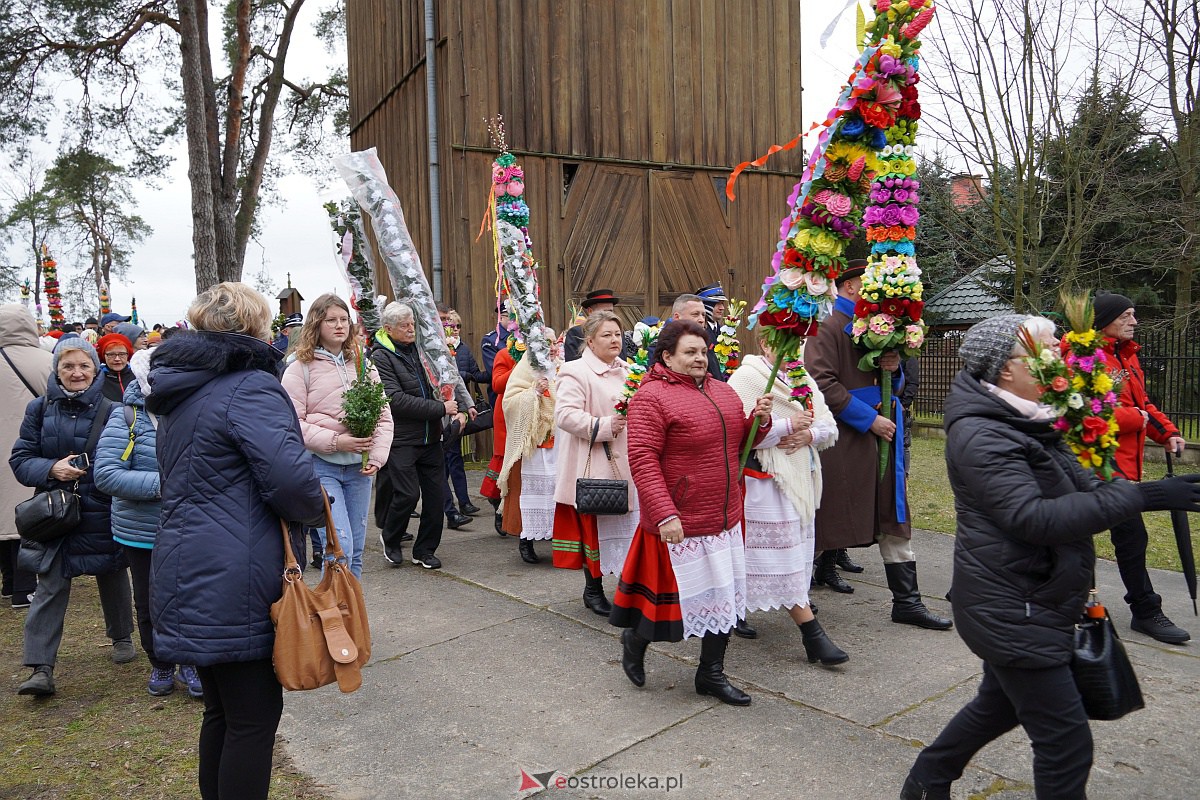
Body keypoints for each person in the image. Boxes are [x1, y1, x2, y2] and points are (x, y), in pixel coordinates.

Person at [900, 314, 1200, 800]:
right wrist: (1140, 499)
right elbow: (1032, 518)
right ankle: (926, 780)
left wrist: (1148, 491)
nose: (1060, 360)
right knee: (1065, 743)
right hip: (1012, 606)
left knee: (998, 705)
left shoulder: (1030, 419)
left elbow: (1081, 487)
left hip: (1033, 595)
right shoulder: (983, 433)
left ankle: (926, 780)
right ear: (1004, 371)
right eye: (1044, 353)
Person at [147, 282, 325, 800]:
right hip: (237, 569)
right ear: (255, 325)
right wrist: (316, 511)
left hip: (186, 562)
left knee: (222, 711)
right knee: (252, 718)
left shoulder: (183, 392)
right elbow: (291, 480)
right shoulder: (250, 386)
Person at [609, 320, 773, 705]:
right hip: (679, 519)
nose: (700, 358)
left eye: (704, 351)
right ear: (667, 356)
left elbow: (738, 442)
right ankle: (635, 640)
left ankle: (711, 674)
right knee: (668, 604)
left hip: (723, 515)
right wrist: (665, 513)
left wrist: (759, 423)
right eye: (690, 352)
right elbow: (644, 459)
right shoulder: (652, 397)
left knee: (725, 601)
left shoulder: (724, 391)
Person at [806, 259, 952, 629]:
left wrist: (894, 368)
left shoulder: (874, 328)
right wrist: (869, 418)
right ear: (852, 286)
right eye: (870, 285)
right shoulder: (828, 326)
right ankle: (792, 597)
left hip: (882, 438)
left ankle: (907, 603)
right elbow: (820, 382)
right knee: (825, 521)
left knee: (894, 518)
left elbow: (896, 383)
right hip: (846, 443)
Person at [12, 337, 133, 696]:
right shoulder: (38, 409)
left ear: (94, 371)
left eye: (84, 366)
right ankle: (40, 667)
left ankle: (122, 637)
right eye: (68, 366)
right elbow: (20, 460)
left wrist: (96, 473)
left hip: (101, 506)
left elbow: (125, 458)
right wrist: (52, 468)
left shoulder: (115, 410)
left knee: (111, 571)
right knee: (50, 583)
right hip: (56, 512)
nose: (76, 373)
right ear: (57, 371)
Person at [728, 330, 848, 666]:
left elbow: (829, 426)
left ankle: (738, 612)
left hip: (800, 477)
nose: (797, 349)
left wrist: (807, 433)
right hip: (765, 482)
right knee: (767, 558)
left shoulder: (801, 376)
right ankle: (812, 635)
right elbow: (740, 434)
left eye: (799, 342)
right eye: (788, 342)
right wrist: (784, 426)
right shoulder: (748, 376)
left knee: (793, 556)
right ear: (766, 344)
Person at [94, 349, 202, 699]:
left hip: (189, 526)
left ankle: (191, 661)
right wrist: (163, 486)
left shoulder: (193, 410)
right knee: (150, 600)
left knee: (190, 597)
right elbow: (106, 474)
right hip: (142, 529)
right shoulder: (126, 417)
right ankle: (160, 661)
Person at [1084, 292, 1191, 644]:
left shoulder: (1127, 357)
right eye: (1127, 315)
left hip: (1124, 467)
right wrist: (1138, 419)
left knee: (1131, 538)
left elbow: (1143, 403)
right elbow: (1087, 413)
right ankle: (1142, 609)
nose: (1134, 321)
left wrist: (1169, 433)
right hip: (1095, 466)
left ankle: (1143, 611)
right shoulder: (1086, 358)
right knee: (1082, 538)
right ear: (1106, 319)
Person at [282, 293, 394, 579]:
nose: (339, 326)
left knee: (355, 549)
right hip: (322, 467)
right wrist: (336, 441)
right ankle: (331, 617)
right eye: (331, 320)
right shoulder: (299, 368)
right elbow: (293, 422)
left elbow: (383, 416)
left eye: (344, 319)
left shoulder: (364, 365)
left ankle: (350, 615)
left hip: (360, 469)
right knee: (338, 545)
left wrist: (377, 457)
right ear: (316, 324)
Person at [552, 311, 639, 608]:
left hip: (628, 461)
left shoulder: (629, 370)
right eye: (607, 335)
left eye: (617, 334)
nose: (615, 340)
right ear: (590, 340)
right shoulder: (574, 371)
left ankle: (630, 589)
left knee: (630, 529)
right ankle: (593, 590)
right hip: (595, 460)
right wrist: (602, 426)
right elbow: (564, 415)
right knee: (597, 526)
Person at [372, 301, 459, 570]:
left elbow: (446, 378)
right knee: (408, 495)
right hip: (402, 439)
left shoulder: (423, 350)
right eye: (404, 326)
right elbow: (394, 399)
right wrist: (440, 409)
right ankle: (391, 538)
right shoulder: (381, 357)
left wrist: (461, 406)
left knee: (435, 500)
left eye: (412, 324)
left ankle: (425, 550)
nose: (411, 330)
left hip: (432, 438)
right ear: (388, 329)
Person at [0, 305, 53, 611]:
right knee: (26, 516)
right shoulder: (45, 361)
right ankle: (24, 587)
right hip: (30, 448)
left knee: (3, 515)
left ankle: (8, 582)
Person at [498, 330, 561, 564]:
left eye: (555, 342)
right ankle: (526, 540)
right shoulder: (525, 367)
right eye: (547, 343)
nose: (553, 347)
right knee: (529, 494)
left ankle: (559, 540)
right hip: (532, 446)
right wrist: (533, 392)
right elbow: (510, 402)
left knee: (556, 494)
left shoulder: (562, 367)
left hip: (558, 442)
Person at [441, 305, 484, 527]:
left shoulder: (464, 350)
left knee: (455, 458)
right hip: (440, 410)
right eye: (450, 325)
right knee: (443, 463)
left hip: (457, 409)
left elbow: (467, 375)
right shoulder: (438, 348)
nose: (454, 329)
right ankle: (448, 507)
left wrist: (468, 404)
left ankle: (463, 502)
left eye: (457, 326)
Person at [649, 294, 724, 381]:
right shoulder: (657, 348)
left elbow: (717, 378)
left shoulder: (706, 346)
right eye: (695, 314)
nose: (701, 320)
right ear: (677, 317)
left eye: (703, 315)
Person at [563, 289, 620, 362]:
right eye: (604, 312)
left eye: (611, 311)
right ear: (590, 311)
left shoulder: (618, 333)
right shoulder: (576, 333)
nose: (608, 315)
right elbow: (573, 364)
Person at [96, 332, 136, 401]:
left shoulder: (137, 376)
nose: (117, 359)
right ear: (104, 356)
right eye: (111, 355)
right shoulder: (97, 379)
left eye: (122, 354)